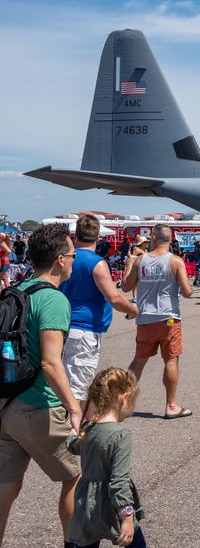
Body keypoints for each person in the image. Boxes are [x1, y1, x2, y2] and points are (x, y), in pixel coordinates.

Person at [0, 223, 81, 546]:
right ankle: (75, 543)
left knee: (6, 487)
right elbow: (50, 361)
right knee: (77, 478)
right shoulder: (53, 300)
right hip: (39, 408)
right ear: (60, 260)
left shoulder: (18, 291)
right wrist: (73, 407)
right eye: (72, 254)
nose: (74, 259)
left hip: (8, 405)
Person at [60, 215, 138, 402]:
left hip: (62, 325)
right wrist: (133, 309)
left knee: (61, 381)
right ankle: (72, 428)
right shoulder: (97, 263)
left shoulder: (65, 259)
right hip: (85, 330)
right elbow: (114, 297)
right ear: (97, 237)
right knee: (77, 389)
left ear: (75, 235)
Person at [66, 368, 145, 548]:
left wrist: (73, 430)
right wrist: (127, 516)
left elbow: (73, 445)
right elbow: (119, 482)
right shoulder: (121, 435)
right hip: (112, 506)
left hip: (85, 502)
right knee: (136, 544)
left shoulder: (88, 429)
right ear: (123, 398)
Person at [121, 224, 194, 419]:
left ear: (153, 238)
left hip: (145, 318)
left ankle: (122, 402)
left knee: (139, 360)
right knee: (171, 359)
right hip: (169, 318)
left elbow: (126, 287)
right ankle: (171, 405)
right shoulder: (175, 261)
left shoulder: (140, 261)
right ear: (170, 240)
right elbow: (187, 293)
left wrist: (128, 267)